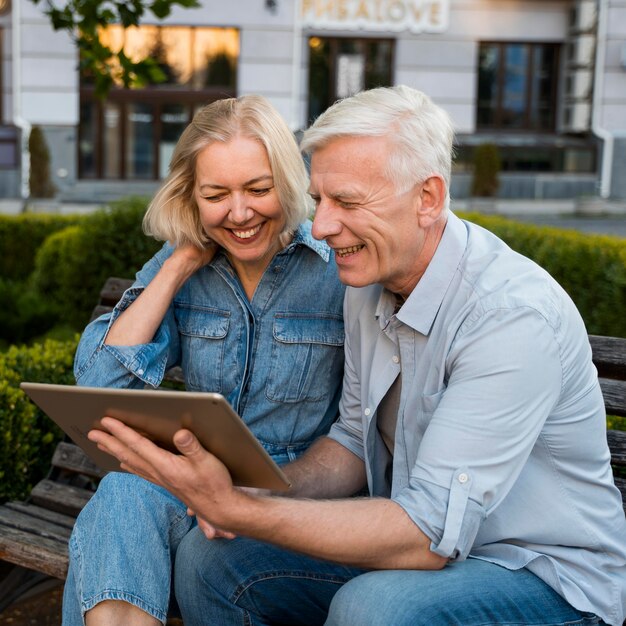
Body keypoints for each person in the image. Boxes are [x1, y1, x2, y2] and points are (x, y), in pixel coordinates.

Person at [89, 85, 626, 626]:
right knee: (214, 561)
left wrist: (245, 510)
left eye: (346, 202)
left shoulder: (510, 317)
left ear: (428, 199)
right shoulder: (367, 282)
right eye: (319, 200)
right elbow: (349, 440)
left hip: (544, 577)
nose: (320, 226)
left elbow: (428, 535)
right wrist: (253, 491)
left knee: (373, 608)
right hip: (427, 551)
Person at [62, 95, 346, 626]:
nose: (239, 214)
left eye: (259, 190)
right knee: (124, 494)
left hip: (289, 500)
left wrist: (248, 495)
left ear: (288, 180)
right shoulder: (188, 262)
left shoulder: (336, 269)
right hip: (190, 491)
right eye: (216, 195)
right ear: (191, 198)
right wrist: (179, 264)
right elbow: (100, 383)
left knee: (109, 527)